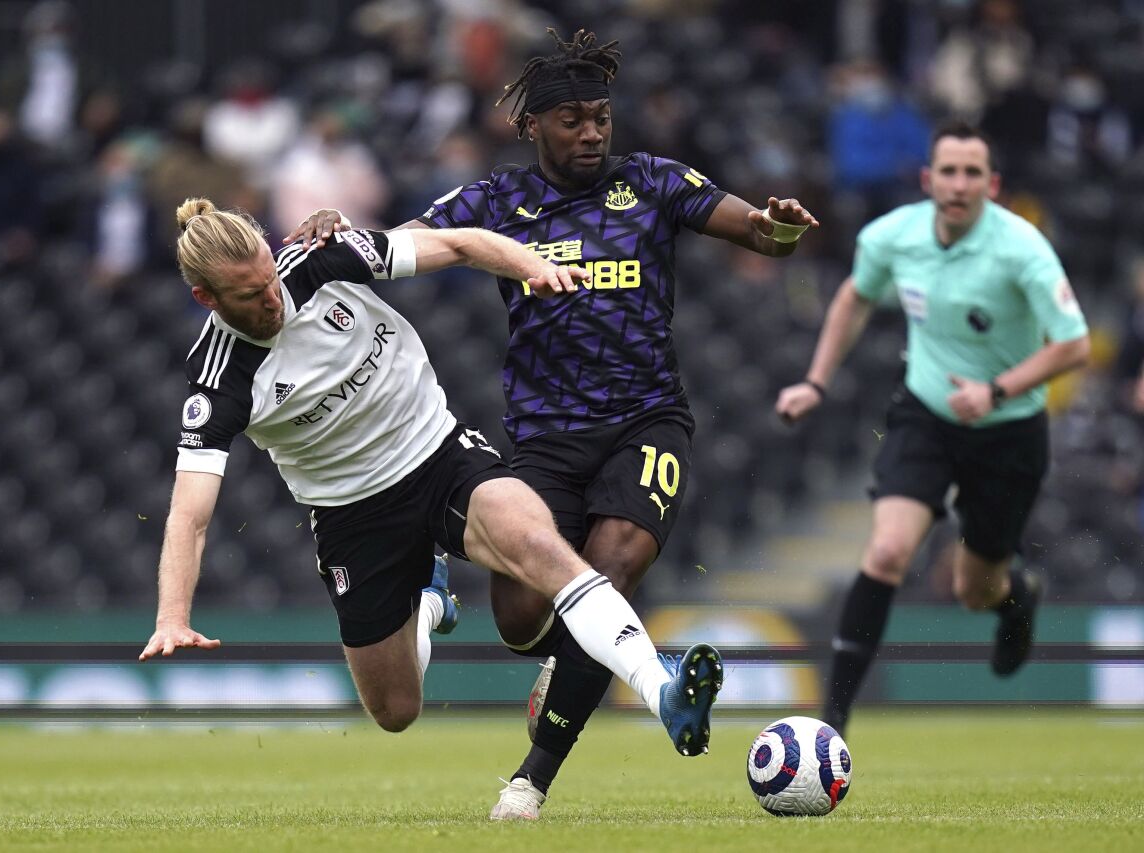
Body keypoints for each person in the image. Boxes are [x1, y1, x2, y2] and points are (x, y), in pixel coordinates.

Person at [285, 28, 818, 820]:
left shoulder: (654, 182)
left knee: (614, 562)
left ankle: (528, 781)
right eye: (571, 118)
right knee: (521, 620)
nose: (592, 131)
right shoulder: (497, 201)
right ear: (532, 125)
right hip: (544, 438)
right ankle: (539, 646)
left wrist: (777, 227)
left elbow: (754, 231)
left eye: (600, 115)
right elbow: (404, 244)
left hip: (647, 420)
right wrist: (336, 226)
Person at [138, 198, 724, 768]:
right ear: (206, 298)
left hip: (438, 454)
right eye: (250, 295)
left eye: (269, 278)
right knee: (395, 710)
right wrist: (172, 617)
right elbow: (189, 515)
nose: (273, 299)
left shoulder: (322, 260)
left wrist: (534, 267)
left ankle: (662, 691)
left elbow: (460, 243)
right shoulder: (217, 380)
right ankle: (427, 600)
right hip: (352, 513)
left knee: (541, 548)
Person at [774, 120, 1090, 735]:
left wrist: (995, 390)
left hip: (1009, 430)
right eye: (949, 171)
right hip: (925, 413)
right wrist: (815, 381)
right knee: (888, 549)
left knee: (976, 589)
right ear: (928, 179)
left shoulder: (1022, 248)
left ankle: (1016, 595)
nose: (960, 183)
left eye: (974, 173)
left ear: (992, 185)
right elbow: (853, 297)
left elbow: (1074, 345)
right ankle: (833, 717)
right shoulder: (891, 236)